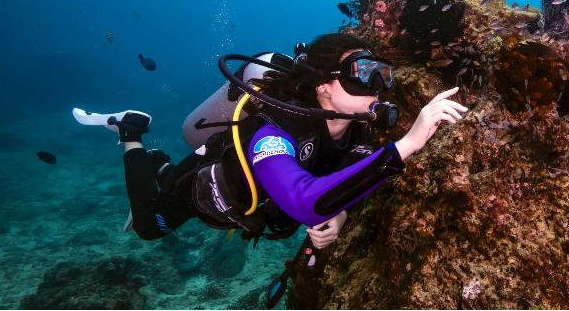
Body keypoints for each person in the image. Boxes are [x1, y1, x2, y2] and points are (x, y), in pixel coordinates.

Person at [76, 33, 468, 251]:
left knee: (163, 176)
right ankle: (130, 132)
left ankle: (159, 160)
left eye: (383, 73)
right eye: (364, 73)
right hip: (203, 193)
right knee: (148, 226)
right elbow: (305, 199)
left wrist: (340, 218)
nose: (379, 86)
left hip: (244, 205)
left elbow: (340, 186)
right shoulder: (274, 131)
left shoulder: (356, 132)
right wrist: (410, 142)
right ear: (325, 87)